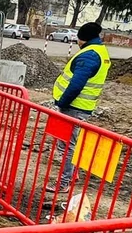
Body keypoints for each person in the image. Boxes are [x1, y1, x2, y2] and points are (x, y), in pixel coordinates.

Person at [47, 22, 112, 192]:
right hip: (81, 107)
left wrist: (61, 104)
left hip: (74, 107)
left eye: (78, 38)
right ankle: (71, 175)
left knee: (67, 146)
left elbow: (76, 85)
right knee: (70, 145)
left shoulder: (89, 55)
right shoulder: (99, 51)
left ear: (83, 39)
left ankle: (63, 182)